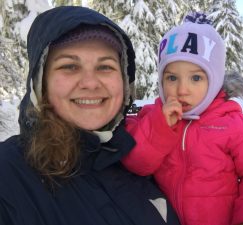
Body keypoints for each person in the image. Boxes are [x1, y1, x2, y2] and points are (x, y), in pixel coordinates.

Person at [0, 6, 181, 225]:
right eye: (69, 66)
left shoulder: (139, 158)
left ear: (124, 82)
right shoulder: (9, 174)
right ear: (41, 82)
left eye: (105, 67)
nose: (90, 83)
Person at [122, 12, 243, 225]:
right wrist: (159, 127)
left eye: (196, 78)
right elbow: (136, 163)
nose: (182, 90)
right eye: (172, 77)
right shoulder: (151, 117)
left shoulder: (231, 123)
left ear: (215, 79)